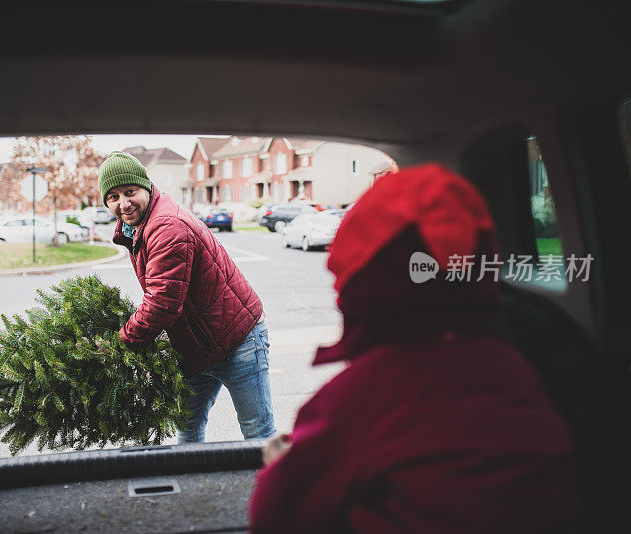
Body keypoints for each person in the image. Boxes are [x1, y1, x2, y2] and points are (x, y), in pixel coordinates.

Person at [248, 163, 582, 533]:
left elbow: (274, 517)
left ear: (359, 286)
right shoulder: (518, 364)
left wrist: (279, 462)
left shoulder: (363, 396)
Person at [98, 151, 276, 443]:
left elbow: (161, 302)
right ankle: (193, 489)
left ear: (146, 187)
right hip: (197, 347)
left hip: (238, 340)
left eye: (130, 192)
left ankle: (276, 488)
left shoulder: (166, 226)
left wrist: (120, 343)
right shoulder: (139, 226)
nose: (123, 203)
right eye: (113, 197)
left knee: (258, 433)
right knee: (187, 432)